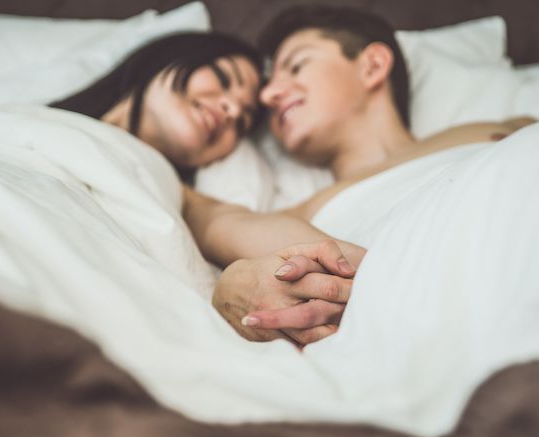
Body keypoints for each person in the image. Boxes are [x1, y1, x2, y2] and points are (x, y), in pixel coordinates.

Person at [214, 5, 538, 338]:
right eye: (267, 90)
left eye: (296, 65)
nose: (268, 95)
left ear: (373, 65)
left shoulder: (500, 131)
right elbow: (204, 213)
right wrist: (233, 280)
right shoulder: (304, 214)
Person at [51, 32, 365, 346]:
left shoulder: (171, 190)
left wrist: (355, 267)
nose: (230, 109)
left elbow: (233, 224)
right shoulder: (21, 120)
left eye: (241, 120)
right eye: (222, 79)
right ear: (165, 58)